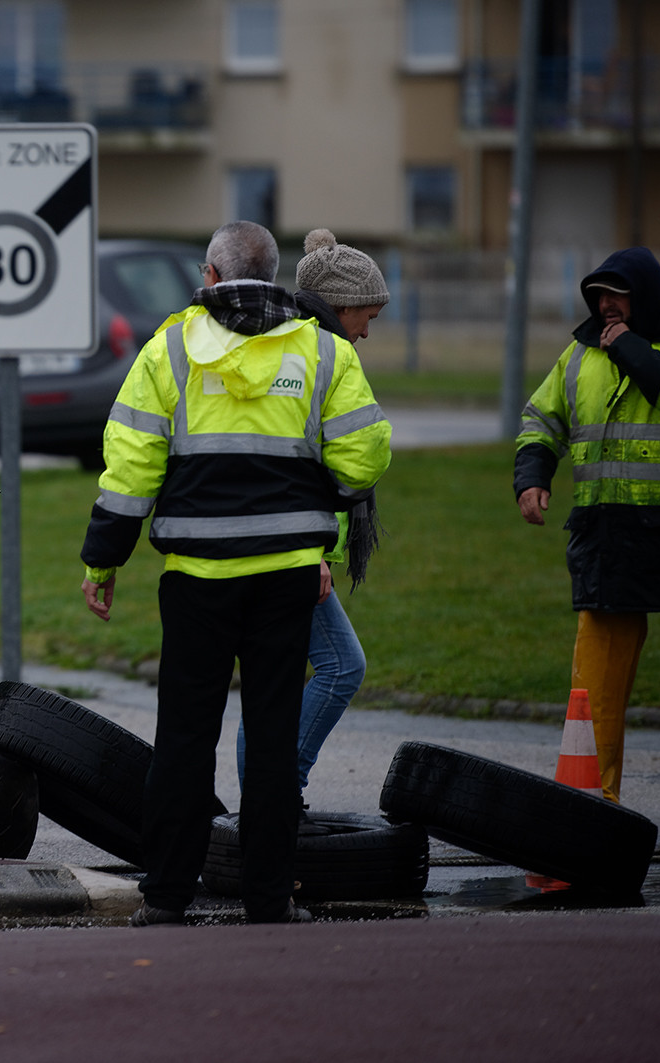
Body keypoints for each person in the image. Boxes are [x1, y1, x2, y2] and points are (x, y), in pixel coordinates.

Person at [80, 220, 391, 925]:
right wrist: (324, 502)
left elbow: (130, 466)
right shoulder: (320, 350)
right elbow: (365, 456)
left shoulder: (170, 346)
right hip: (285, 574)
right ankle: (269, 896)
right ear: (275, 272)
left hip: (197, 574)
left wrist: (104, 557)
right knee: (275, 735)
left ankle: (164, 896)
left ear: (211, 275)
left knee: (186, 734)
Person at [515, 247, 660, 803]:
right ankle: (591, 814)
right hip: (611, 543)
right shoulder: (579, 357)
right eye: (599, 296)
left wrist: (629, 348)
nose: (606, 305)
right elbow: (541, 418)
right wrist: (532, 474)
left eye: (618, 295)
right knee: (593, 704)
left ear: (649, 296)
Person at [235, 229, 388, 808]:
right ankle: (276, 796)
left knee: (273, 683)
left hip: (287, 543)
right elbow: (310, 465)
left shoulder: (302, 350)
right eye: (366, 316)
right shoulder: (321, 356)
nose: (368, 331)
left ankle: (267, 799)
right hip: (294, 548)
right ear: (340, 306)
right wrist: (318, 554)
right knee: (339, 667)